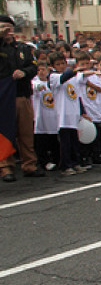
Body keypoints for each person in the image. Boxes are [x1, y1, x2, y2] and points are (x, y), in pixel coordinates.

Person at [0, 14, 43, 181]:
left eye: (8, 27)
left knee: (25, 133)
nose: (5, 30)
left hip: (21, 94)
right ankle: (6, 168)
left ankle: (29, 165)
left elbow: (33, 67)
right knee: (5, 132)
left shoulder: (23, 48)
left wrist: (24, 72)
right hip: (4, 98)